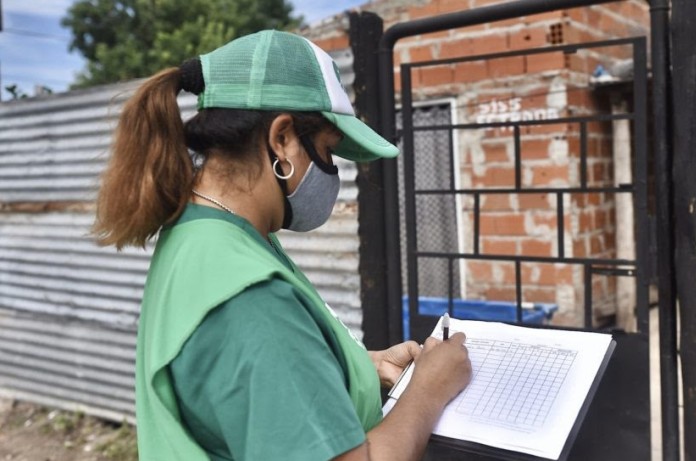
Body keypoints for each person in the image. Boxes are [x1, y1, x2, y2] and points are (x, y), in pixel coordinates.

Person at [93, 30, 472, 461]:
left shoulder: (205, 235)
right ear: (282, 139)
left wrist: (359, 367)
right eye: (327, 151)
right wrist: (428, 390)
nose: (332, 172)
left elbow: (258, 375)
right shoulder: (246, 294)